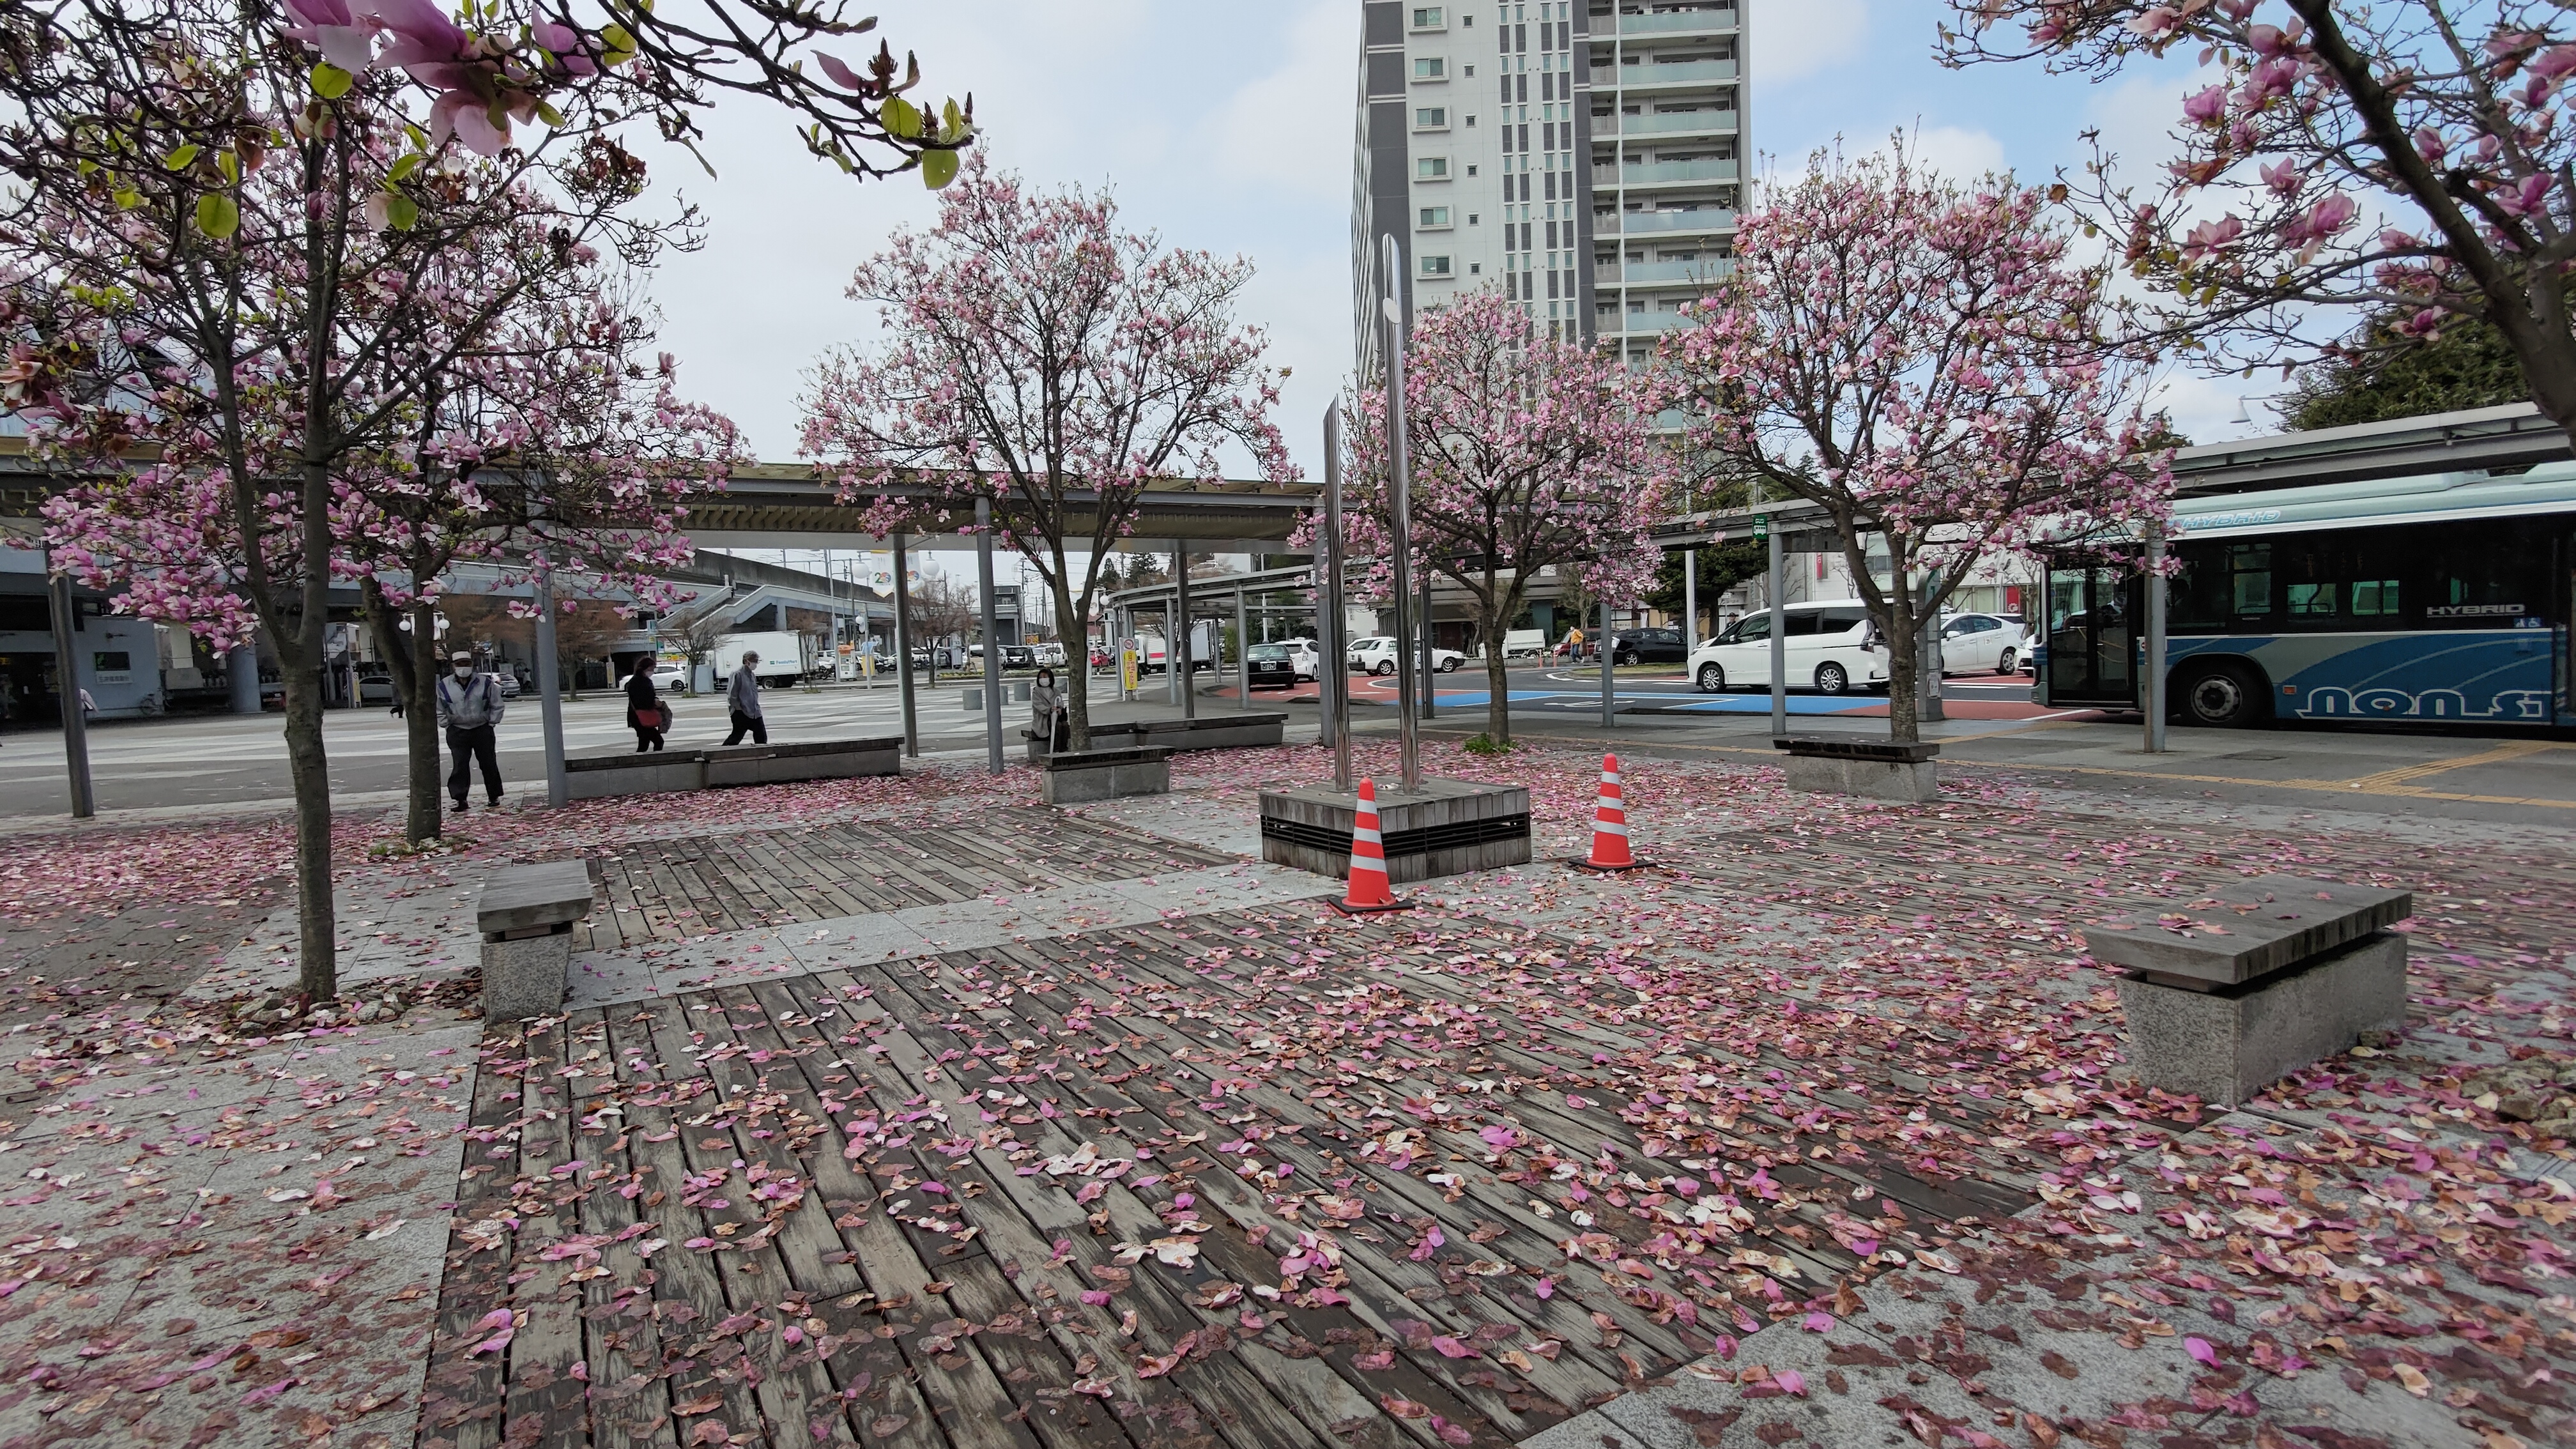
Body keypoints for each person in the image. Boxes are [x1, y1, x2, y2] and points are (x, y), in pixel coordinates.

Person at [434, 649, 506, 811]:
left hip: (482, 729)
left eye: (466, 664)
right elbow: (439, 708)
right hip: (457, 730)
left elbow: (497, 704)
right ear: (453, 666)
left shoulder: (486, 683)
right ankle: (460, 799)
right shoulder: (444, 685)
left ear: (472, 665)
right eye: (460, 664)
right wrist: (447, 724)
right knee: (460, 764)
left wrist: (492, 722)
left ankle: (494, 796)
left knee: (488, 763)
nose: (463, 667)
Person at [723, 650, 767, 746]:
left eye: (757, 661)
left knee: (761, 735)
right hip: (741, 712)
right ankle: (723, 752)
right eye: (754, 661)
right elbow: (732, 695)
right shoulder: (737, 674)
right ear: (747, 661)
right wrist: (739, 708)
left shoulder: (752, 675)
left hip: (754, 711)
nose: (756, 663)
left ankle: (762, 754)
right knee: (737, 736)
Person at [625, 655, 666, 753]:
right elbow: (640, 700)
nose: (653, 670)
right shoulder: (637, 682)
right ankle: (654, 762)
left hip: (640, 717)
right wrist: (654, 702)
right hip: (640, 717)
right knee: (658, 741)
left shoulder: (643, 681)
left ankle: (640, 763)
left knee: (644, 743)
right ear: (645, 668)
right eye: (652, 668)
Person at [1031, 666, 1068, 753]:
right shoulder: (1036, 692)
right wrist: (1049, 709)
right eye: (1041, 678)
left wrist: (1059, 709)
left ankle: (1064, 748)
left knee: (1065, 725)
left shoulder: (1056, 691)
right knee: (1057, 726)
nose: (1043, 680)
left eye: (1045, 677)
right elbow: (1038, 705)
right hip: (1043, 719)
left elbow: (1060, 702)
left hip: (1056, 716)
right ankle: (1056, 749)